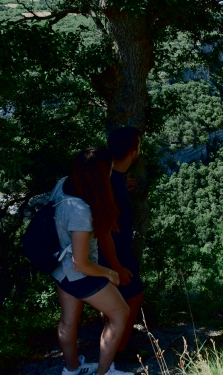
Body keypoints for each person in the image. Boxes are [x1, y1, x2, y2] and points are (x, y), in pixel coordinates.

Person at [50, 147, 134, 375]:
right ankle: (105, 372)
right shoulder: (80, 211)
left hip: (60, 269)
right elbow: (81, 262)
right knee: (120, 314)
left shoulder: (64, 185)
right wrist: (109, 272)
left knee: (68, 320)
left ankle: (71, 369)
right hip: (79, 274)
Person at [98, 127, 145, 362]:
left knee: (122, 300)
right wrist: (115, 265)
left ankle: (116, 348)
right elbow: (105, 232)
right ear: (133, 152)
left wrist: (122, 188)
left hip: (118, 251)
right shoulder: (112, 182)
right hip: (117, 253)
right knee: (132, 298)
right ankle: (119, 353)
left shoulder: (111, 177)